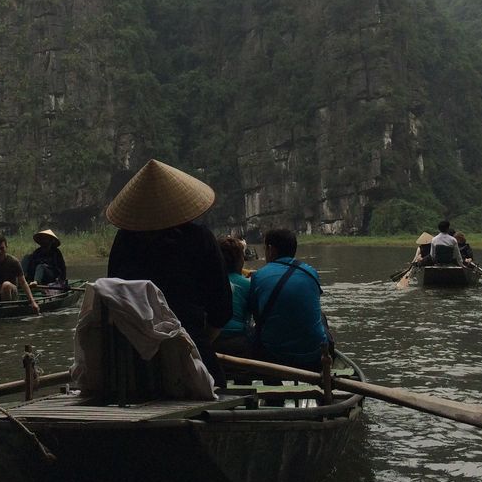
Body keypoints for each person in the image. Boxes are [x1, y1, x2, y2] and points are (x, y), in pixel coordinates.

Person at [106, 159, 232, 385]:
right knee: (216, 384)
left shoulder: (124, 241)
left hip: (132, 362)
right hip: (190, 346)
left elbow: (113, 295)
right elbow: (221, 308)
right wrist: (189, 343)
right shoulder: (199, 238)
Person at [248, 228, 331, 372]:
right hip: (314, 355)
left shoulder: (259, 276)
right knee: (321, 316)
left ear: (271, 250)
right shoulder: (311, 272)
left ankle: (271, 382)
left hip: (273, 356)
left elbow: (256, 315)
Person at [214, 236, 253, 356]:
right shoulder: (248, 284)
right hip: (238, 339)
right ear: (240, 260)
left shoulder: (210, 282)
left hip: (212, 337)